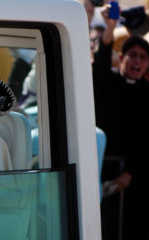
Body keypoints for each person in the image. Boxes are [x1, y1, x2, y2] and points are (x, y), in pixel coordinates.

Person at [93, 4, 149, 239]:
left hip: (136, 175)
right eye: (132, 55)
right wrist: (110, 29)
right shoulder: (109, 82)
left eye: (143, 57)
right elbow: (100, 66)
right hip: (104, 168)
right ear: (123, 58)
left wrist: (131, 173)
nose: (137, 62)